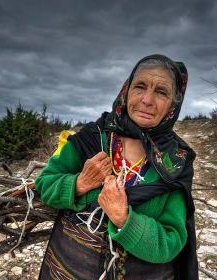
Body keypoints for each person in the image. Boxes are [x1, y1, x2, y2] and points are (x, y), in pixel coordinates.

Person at [35, 54, 198, 280]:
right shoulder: (92, 139)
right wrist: (79, 184)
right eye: (140, 86)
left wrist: (124, 219)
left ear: (173, 104)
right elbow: (44, 184)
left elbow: (172, 241)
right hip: (66, 270)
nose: (147, 100)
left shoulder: (175, 161)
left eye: (161, 92)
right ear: (126, 90)